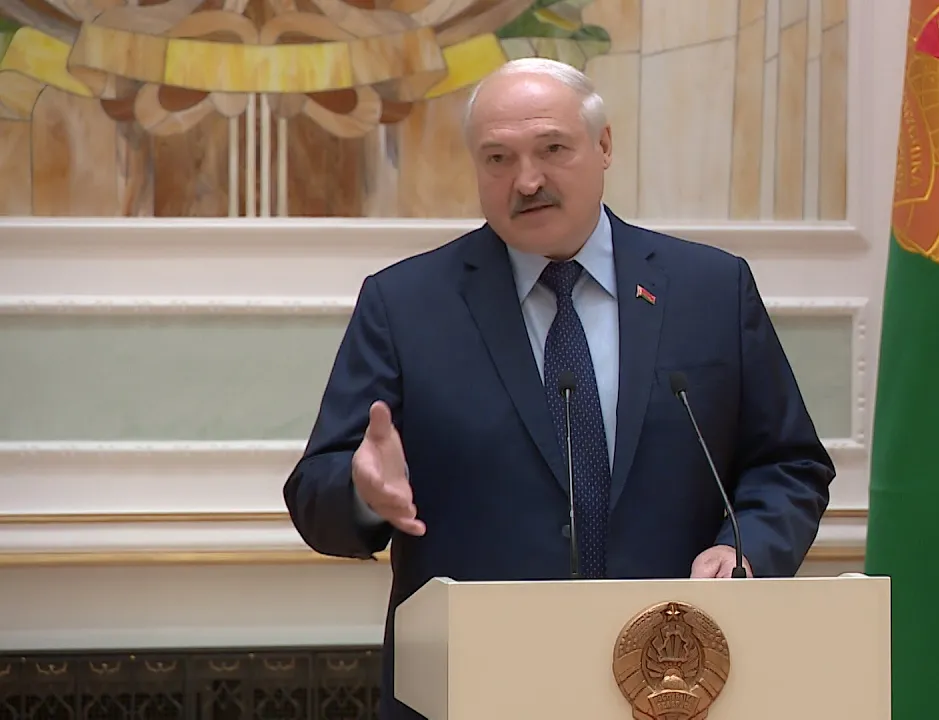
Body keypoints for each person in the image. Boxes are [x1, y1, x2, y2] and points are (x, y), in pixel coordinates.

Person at [283, 57, 834, 718]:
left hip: (673, 683)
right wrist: (363, 493)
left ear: (604, 147)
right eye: (498, 159)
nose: (527, 180)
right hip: (477, 689)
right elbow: (316, 498)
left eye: (552, 149)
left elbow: (788, 464)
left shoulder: (710, 290)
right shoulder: (405, 305)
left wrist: (746, 550)